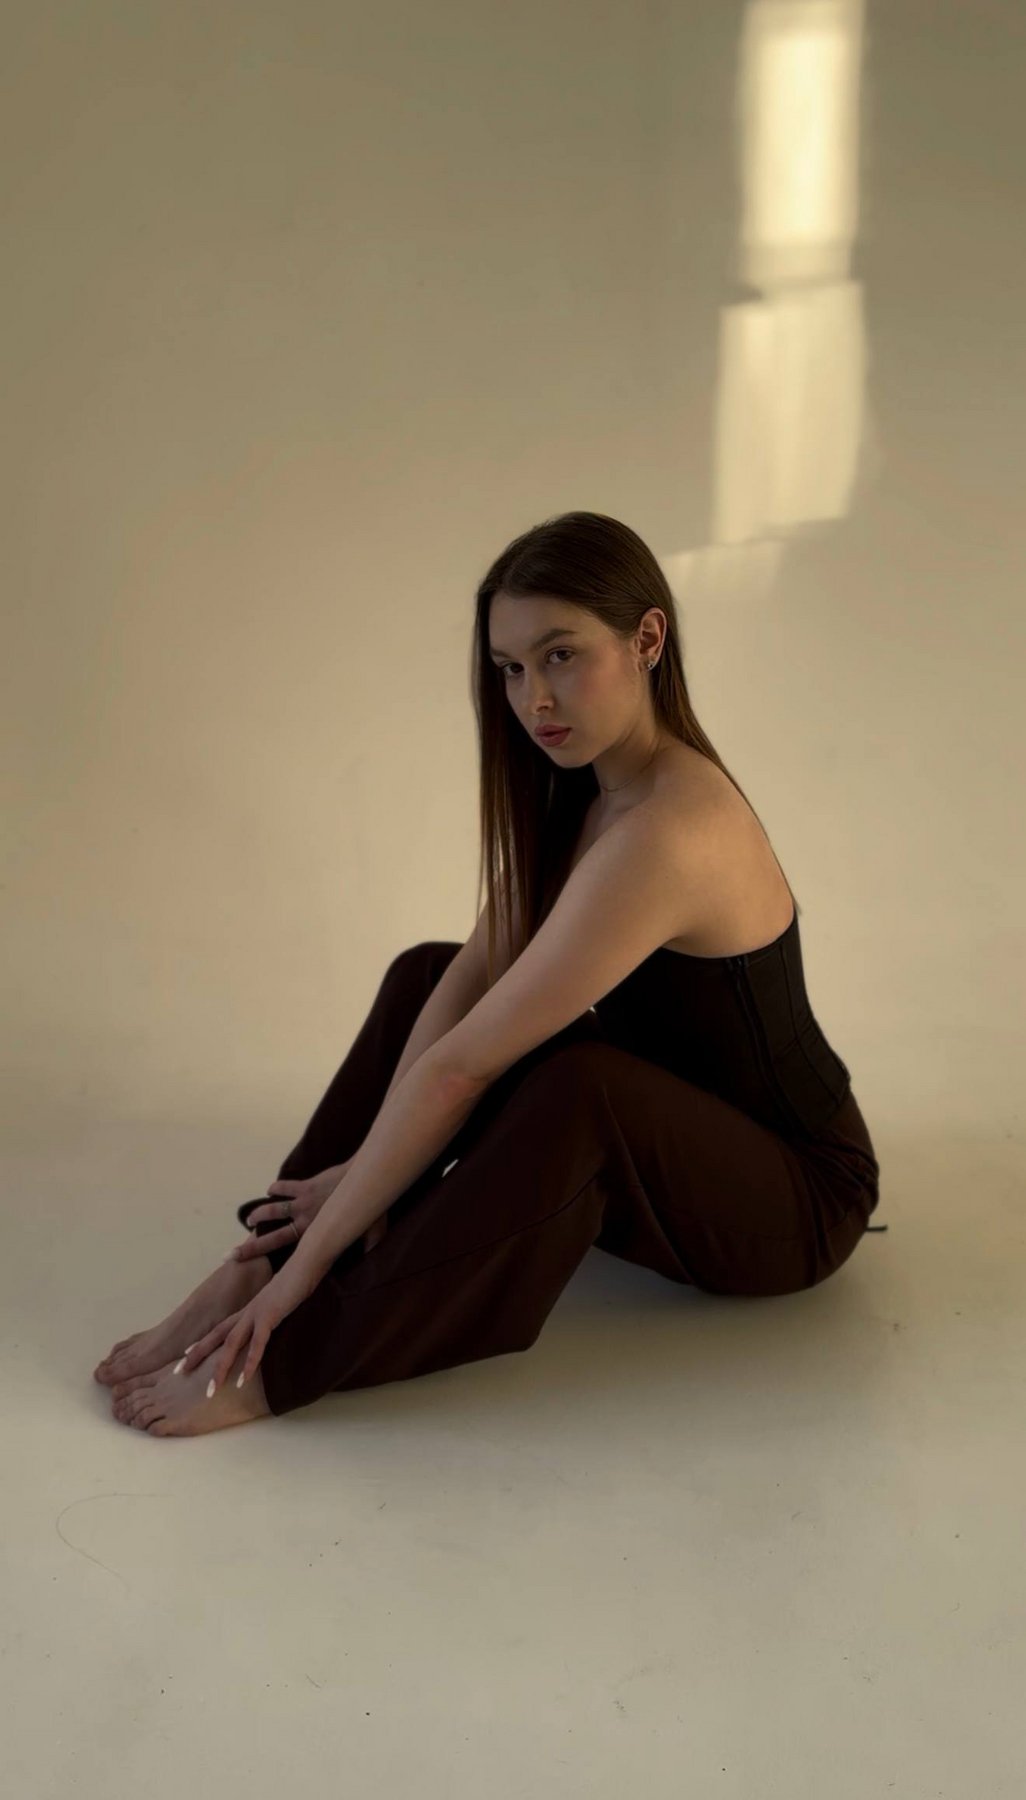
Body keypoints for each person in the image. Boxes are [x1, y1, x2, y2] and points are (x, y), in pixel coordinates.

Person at [94, 511, 882, 1437]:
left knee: (581, 1089)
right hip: (679, 1135)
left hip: (795, 1199)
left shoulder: (671, 832)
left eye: (560, 655)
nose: (534, 698)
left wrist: (310, 1273)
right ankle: (254, 1262)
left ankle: (281, 1356)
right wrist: (346, 1190)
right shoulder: (588, 788)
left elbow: (463, 1072)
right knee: (425, 976)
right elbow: (473, 976)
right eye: (510, 668)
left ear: (647, 640)